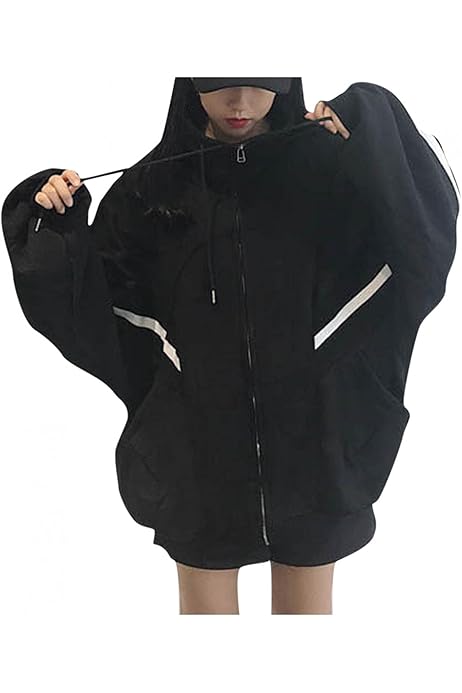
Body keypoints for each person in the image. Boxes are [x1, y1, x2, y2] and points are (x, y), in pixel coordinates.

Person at [2, 78, 458, 615]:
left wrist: (375, 126)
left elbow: (422, 249)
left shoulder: (330, 170)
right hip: (196, 465)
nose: (239, 102)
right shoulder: (149, 192)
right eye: (221, 83)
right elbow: (95, 322)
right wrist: (51, 227)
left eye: (257, 83)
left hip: (318, 454)